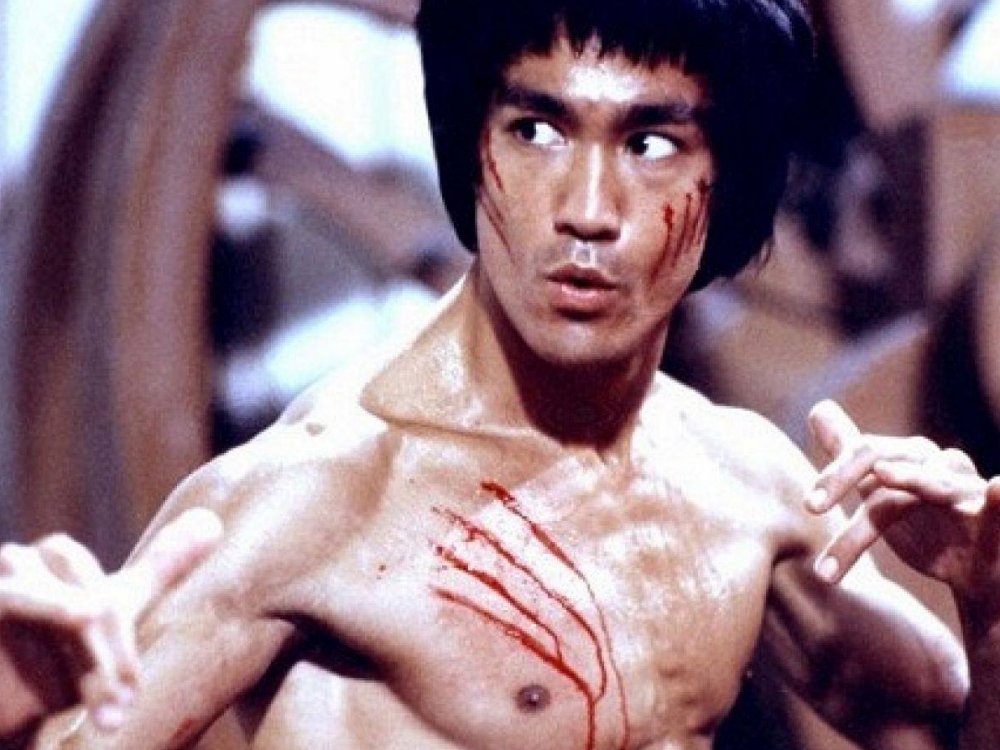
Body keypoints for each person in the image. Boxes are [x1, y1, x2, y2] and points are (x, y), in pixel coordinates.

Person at [3, 1, 1000, 747]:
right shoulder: (318, 496)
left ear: (725, 182)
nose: (587, 210)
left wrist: (988, 603)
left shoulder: (746, 481)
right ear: (468, 145)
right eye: (536, 131)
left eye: (651, 143)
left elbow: (947, 731)